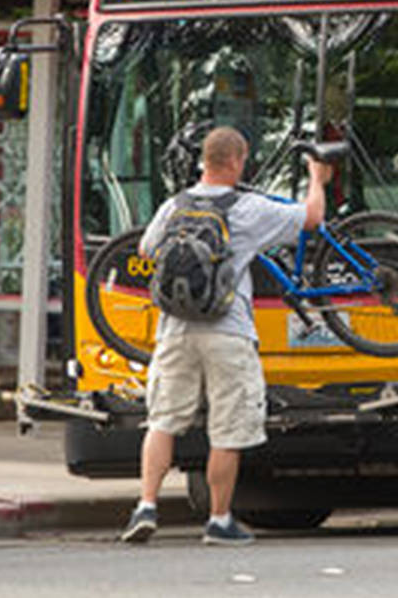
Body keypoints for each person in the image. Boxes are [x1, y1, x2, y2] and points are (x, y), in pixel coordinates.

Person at [119, 126, 331, 546]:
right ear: (236, 161)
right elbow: (312, 218)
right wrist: (317, 179)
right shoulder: (249, 209)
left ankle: (145, 507)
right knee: (227, 431)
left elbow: (145, 249)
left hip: (175, 331)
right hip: (228, 331)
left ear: (204, 161)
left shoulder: (174, 205)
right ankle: (218, 520)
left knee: (162, 422)